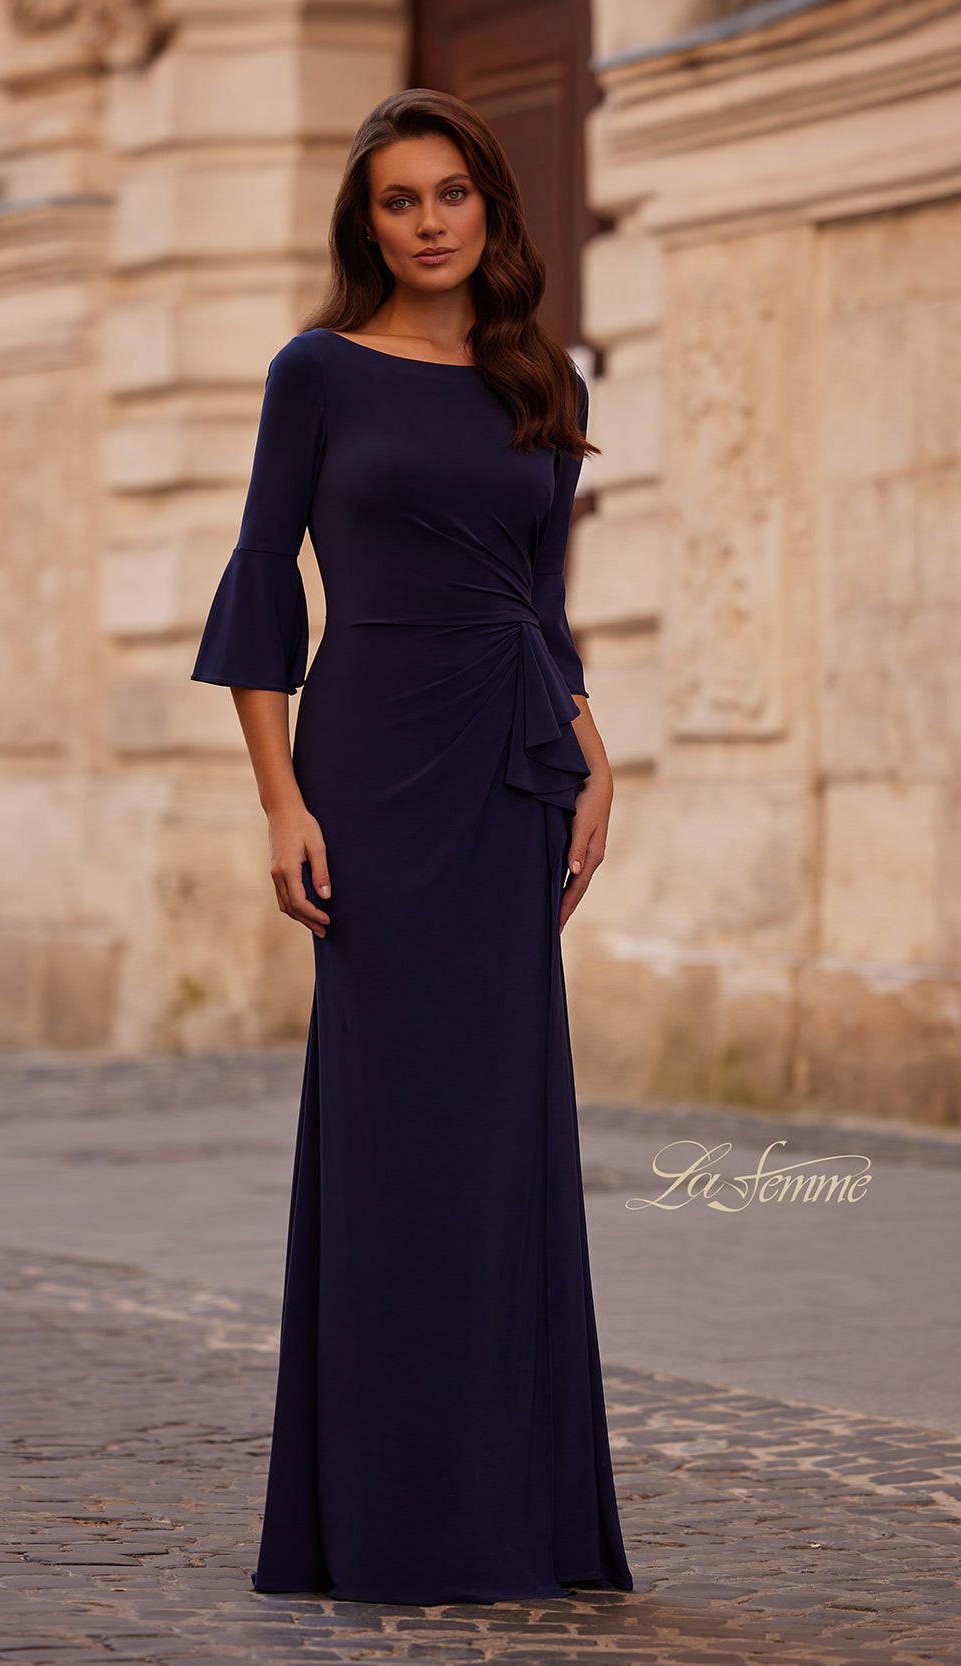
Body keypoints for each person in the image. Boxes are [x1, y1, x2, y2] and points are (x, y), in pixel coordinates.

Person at [190, 85, 633, 1605]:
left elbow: (545, 600)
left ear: (492, 207)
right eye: (400, 200)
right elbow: (263, 584)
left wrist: (588, 753)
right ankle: (384, 1522)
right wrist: (282, 798)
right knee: (399, 1145)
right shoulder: (315, 372)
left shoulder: (540, 378)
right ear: (363, 220)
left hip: (508, 774)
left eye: (453, 193)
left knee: (504, 1140)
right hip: (372, 778)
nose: (431, 221)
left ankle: (523, 1521)